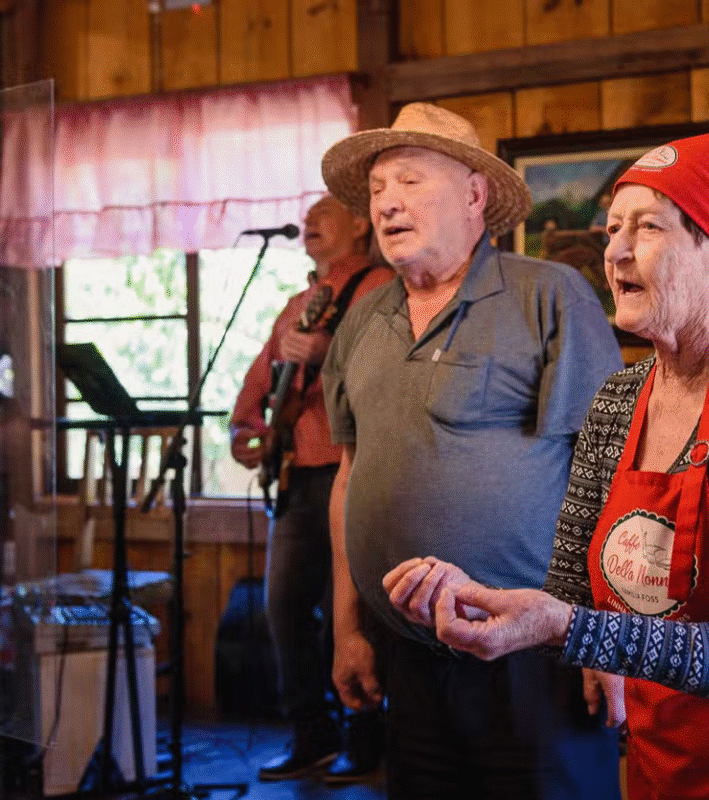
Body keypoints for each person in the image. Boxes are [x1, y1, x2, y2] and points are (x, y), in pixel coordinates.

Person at [383, 131, 709, 798]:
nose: (616, 251)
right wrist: (477, 601)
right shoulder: (619, 400)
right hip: (672, 759)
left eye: (648, 228)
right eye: (612, 230)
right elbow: (570, 596)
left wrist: (566, 627)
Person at [318, 102, 624, 800]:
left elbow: (613, 473)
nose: (387, 203)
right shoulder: (363, 318)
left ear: (474, 195)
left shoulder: (549, 295)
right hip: (408, 658)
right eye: (378, 189)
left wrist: (604, 635)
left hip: (535, 658)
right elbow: (348, 478)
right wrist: (347, 629)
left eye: (410, 181)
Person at [229, 194, 393, 782]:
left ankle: (364, 735)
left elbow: (390, 374)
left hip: (354, 471)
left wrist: (330, 353)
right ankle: (311, 731)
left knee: (350, 612)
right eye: (308, 216)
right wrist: (247, 433)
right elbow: (257, 389)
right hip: (297, 477)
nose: (310, 222)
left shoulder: (381, 290)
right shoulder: (297, 305)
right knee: (284, 607)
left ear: (361, 225)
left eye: (325, 212)